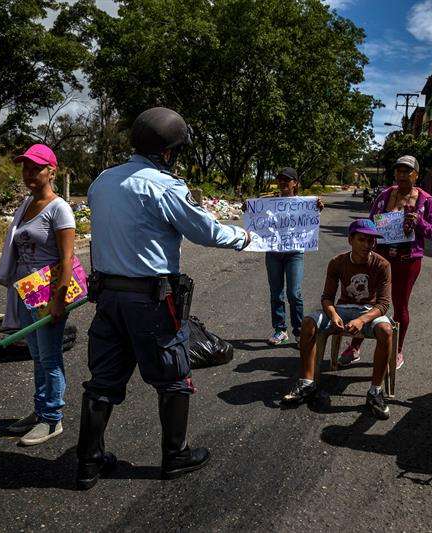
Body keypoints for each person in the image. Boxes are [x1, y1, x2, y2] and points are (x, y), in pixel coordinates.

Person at [77, 107, 251, 490]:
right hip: (150, 302)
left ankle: (88, 462)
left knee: (103, 381)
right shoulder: (164, 186)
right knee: (173, 377)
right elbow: (203, 231)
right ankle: (175, 456)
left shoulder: (102, 181)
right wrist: (243, 237)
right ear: (168, 152)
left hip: (107, 298)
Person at [0, 144, 76, 446]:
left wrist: (60, 298)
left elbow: (67, 259)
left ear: (52, 171)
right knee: (37, 357)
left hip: (49, 293)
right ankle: (41, 410)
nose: (29, 173)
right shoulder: (27, 204)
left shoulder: (59, 208)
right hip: (26, 291)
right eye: (25, 168)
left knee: (50, 358)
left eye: (36, 168)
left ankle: (53, 419)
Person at [281, 219, 393, 419]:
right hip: (341, 309)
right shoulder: (337, 262)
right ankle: (307, 383)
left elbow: (383, 304)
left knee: (386, 330)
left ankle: (375, 391)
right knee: (308, 322)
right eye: (362, 239)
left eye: (371, 241)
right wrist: (333, 315)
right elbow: (327, 298)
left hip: (367, 311)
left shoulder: (382, 264)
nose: (368, 245)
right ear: (350, 240)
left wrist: (362, 320)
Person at [340, 155, 432, 370]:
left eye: (407, 171)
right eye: (399, 171)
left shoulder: (425, 200)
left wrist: (419, 223)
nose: (402, 175)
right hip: (381, 258)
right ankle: (355, 346)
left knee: (400, 304)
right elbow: (370, 223)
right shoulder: (385, 195)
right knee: (369, 299)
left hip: (408, 260)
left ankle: (397, 350)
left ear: (416, 174)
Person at [251, 167, 323, 345]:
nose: (283, 182)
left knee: (294, 293)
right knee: (276, 293)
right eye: (280, 179)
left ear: (295, 183)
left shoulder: (304, 203)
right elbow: (256, 215)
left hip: (294, 254)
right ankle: (280, 330)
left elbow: (310, 219)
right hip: (273, 253)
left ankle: (299, 331)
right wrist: (249, 209)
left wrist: (318, 207)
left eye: (287, 179)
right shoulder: (268, 202)